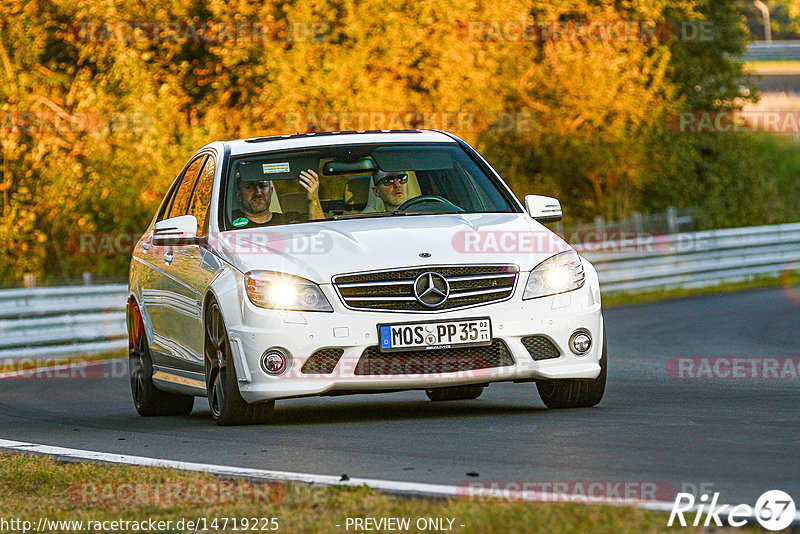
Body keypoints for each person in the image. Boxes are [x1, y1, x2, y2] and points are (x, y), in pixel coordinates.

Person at [231, 169, 324, 228]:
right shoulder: (228, 223)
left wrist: (314, 199)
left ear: (271, 192)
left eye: (262, 186)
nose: (258, 192)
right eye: (249, 187)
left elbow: (320, 232)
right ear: (238, 195)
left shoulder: (290, 220)